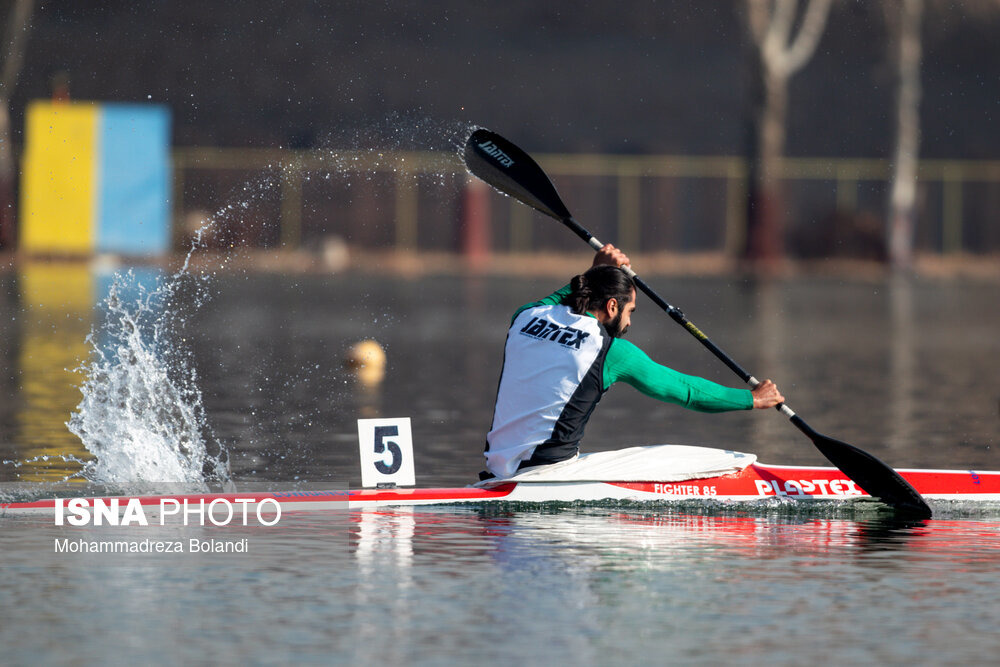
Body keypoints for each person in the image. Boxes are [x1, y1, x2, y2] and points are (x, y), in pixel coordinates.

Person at [483, 244, 785, 479]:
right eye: (630, 312)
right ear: (612, 306)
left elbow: (566, 294)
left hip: (497, 469)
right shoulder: (610, 351)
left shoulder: (525, 316)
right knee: (672, 454)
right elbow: (687, 391)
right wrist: (751, 399)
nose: (628, 323)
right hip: (547, 473)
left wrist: (596, 270)